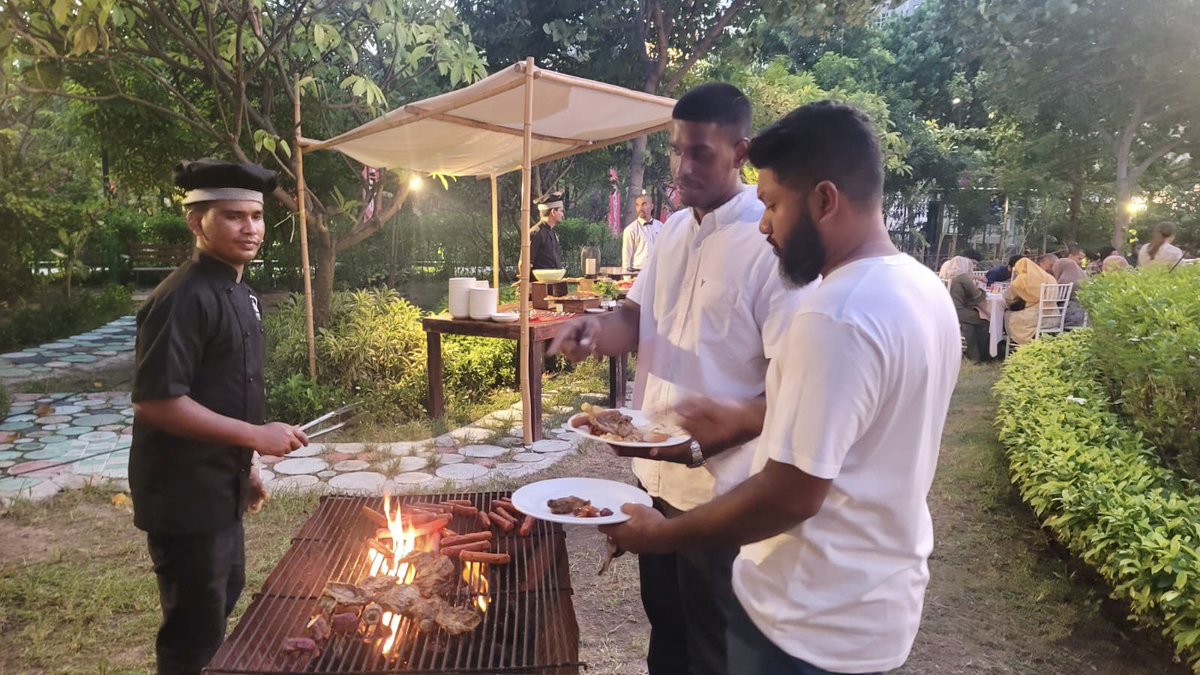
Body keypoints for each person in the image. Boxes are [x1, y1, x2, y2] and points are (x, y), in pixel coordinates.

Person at [599, 102, 961, 675]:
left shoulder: (833, 315)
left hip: (802, 623)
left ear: (824, 199)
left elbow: (790, 495)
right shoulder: (920, 289)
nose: (763, 224)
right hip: (872, 612)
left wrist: (662, 536)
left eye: (772, 205)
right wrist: (747, 417)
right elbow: (848, 433)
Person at [549, 83, 803, 675]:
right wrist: (595, 328)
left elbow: (794, 382)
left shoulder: (770, 244)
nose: (683, 168)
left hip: (725, 489)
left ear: (740, 152)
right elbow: (636, 318)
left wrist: (734, 424)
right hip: (653, 477)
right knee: (664, 628)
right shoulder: (669, 234)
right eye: (675, 152)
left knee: (714, 645)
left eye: (701, 154)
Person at [130, 159, 310, 675]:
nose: (250, 228)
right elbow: (158, 401)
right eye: (233, 216)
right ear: (195, 221)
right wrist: (254, 434)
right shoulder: (182, 297)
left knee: (223, 596)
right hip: (183, 491)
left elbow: (222, 389)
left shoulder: (243, 293)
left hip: (220, 482)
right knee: (194, 631)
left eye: (255, 216)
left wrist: (244, 459)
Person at [945, 256, 990, 361]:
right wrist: (980, 287)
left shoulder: (949, 275)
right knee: (985, 321)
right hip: (958, 311)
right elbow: (978, 297)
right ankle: (985, 354)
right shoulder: (963, 277)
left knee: (968, 325)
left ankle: (974, 356)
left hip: (948, 311)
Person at [1003, 257, 1057, 346]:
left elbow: (1009, 298)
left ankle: (1017, 343)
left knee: (1007, 315)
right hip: (1054, 316)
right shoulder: (1049, 277)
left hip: (1035, 318)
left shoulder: (1022, 279)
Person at [622, 194, 664, 271]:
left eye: (644, 204)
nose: (640, 208)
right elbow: (626, 257)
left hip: (658, 271)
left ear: (651, 206)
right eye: (637, 205)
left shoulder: (661, 226)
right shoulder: (630, 229)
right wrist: (627, 280)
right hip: (637, 273)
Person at [528, 190, 565, 271]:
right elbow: (525, 263)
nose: (563, 215)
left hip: (553, 282)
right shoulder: (536, 232)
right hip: (539, 283)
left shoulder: (552, 232)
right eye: (561, 211)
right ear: (553, 212)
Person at [1052, 252, 1088, 329]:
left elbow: (1054, 299)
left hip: (1067, 316)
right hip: (1085, 317)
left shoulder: (1064, 282)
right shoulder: (1084, 279)